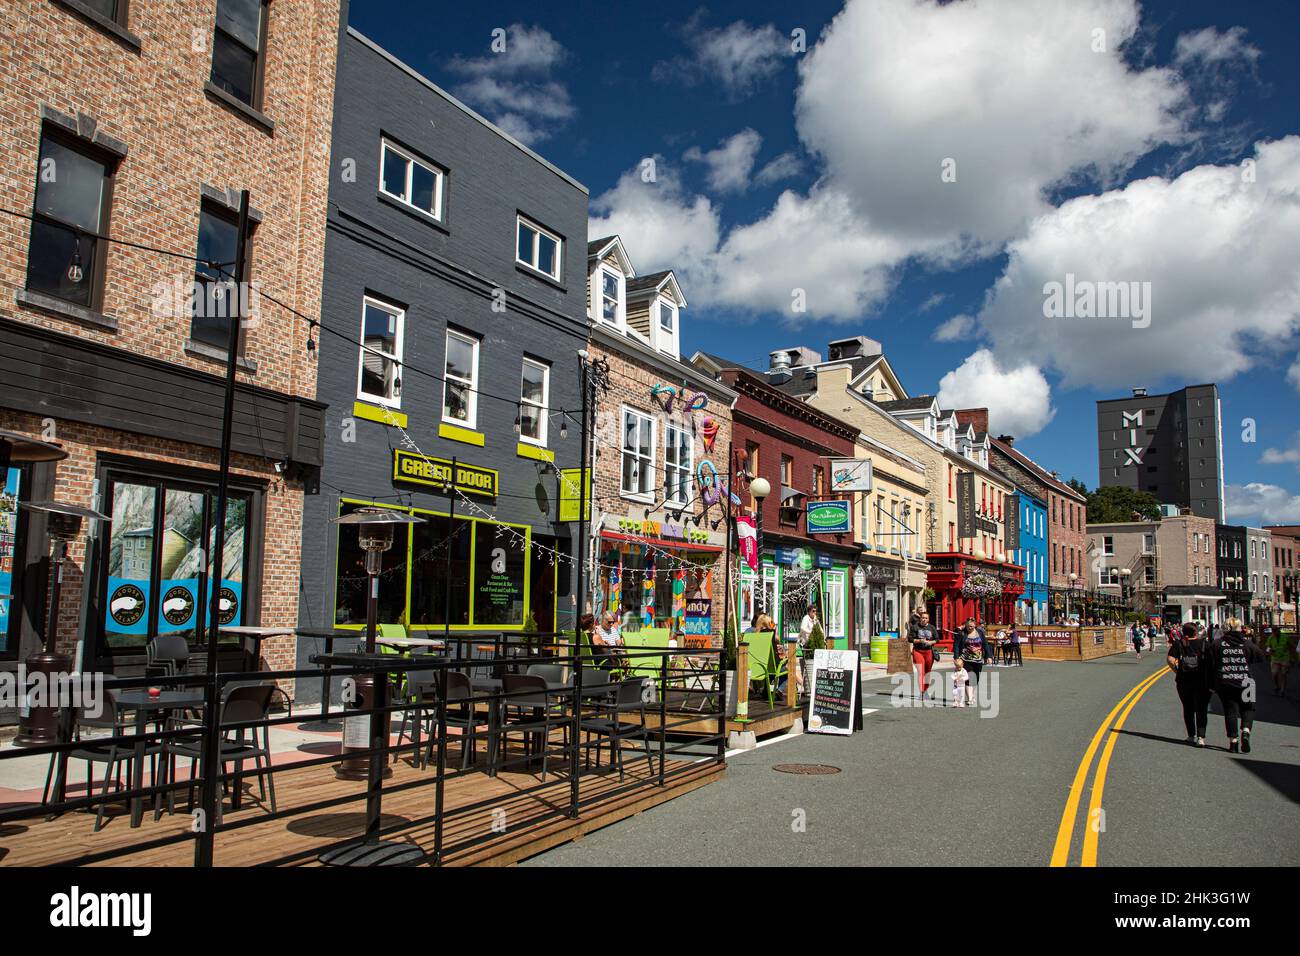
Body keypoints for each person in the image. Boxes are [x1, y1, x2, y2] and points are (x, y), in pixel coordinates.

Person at [1209, 617, 1268, 753]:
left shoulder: (1217, 644)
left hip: (1226, 681)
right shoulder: (1247, 644)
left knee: (1230, 712)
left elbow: (1210, 665)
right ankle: (1246, 731)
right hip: (1247, 681)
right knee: (1248, 708)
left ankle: (1233, 742)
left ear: (1225, 628)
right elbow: (1260, 656)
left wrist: (1211, 684)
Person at [1167, 621, 1212, 746]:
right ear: (1196, 632)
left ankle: (1191, 735)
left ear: (1183, 632)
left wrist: (1177, 671)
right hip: (1201, 680)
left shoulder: (1179, 644)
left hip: (1183, 680)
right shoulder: (1204, 644)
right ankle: (1201, 737)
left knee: (1188, 708)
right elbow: (1211, 662)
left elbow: (1170, 660)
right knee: (1201, 709)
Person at [906, 610, 937, 699]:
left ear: (928, 619)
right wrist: (920, 640)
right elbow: (910, 639)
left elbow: (937, 639)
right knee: (921, 672)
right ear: (920, 618)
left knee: (927, 672)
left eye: (926, 618)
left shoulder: (932, 628)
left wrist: (931, 642)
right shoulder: (915, 627)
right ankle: (921, 692)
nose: (924, 619)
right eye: (923, 618)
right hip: (918, 651)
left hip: (928, 652)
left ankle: (926, 690)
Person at [1264, 625, 1294, 696]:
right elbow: (1267, 647)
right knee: (1274, 674)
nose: (1274, 632)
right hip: (1275, 658)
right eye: (1273, 631)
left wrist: (1292, 658)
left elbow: (1291, 646)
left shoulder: (1285, 637)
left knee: (1283, 674)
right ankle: (1277, 686)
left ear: (1278, 630)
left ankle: (1282, 690)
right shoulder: (1271, 638)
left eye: (1275, 631)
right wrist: (1269, 650)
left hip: (1284, 658)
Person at [958, 622, 985, 698]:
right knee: (968, 678)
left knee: (975, 679)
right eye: (968, 626)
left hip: (978, 660)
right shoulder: (962, 633)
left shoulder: (980, 632)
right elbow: (956, 645)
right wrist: (956, 657)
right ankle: (970, 697)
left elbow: (985, 644)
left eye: (971, 626)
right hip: (966, 659)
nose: (970, 628)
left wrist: (989, 656)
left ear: (975, 626)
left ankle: (971, 694)